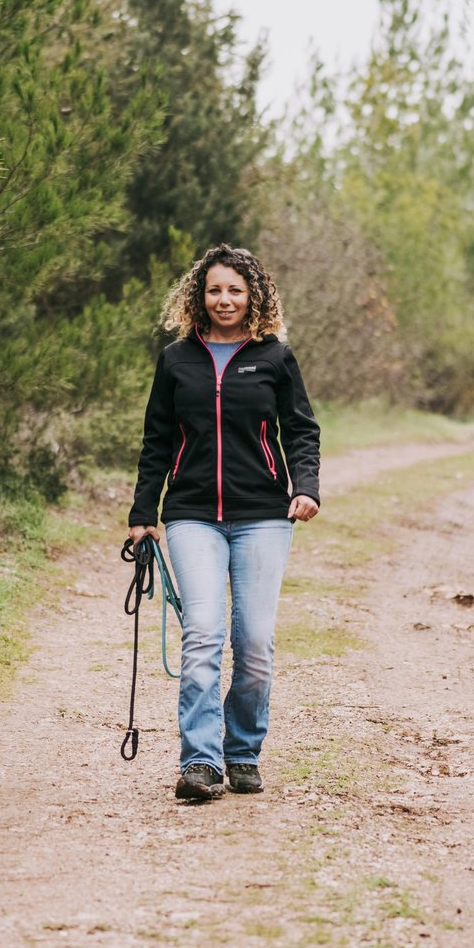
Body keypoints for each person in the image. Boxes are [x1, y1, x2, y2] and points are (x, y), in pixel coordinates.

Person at [128, 243, 321, 802]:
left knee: (255, 642)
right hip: (191, 516)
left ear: (253, 295)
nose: (224, 299)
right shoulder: (176, 360)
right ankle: (201, 762)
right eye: (215, 289)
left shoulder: (275, 358)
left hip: (263, 515)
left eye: (235, 289)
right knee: (203, 635)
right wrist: (145, 513)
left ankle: (242, 751)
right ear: (199, 295)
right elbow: (157, 441)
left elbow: (301, 432)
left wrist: (304, 487)